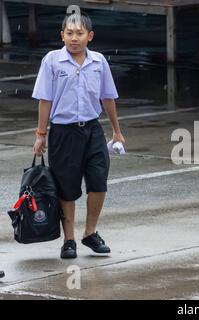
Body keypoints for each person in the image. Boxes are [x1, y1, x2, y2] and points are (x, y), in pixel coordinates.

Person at [32, 6, 125, 259]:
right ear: (62, 35)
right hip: (63, 132)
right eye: (70, 33)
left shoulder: (99, 62)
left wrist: (116, 131)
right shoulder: (52, 60)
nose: (74, 38)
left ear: (90, 36)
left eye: (80, 33)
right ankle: (69, 239)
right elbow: (44, 99)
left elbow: (108, 97)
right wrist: (41, 134)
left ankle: (90, 233)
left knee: (98, 181)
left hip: (93, 130)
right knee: (67, 187)